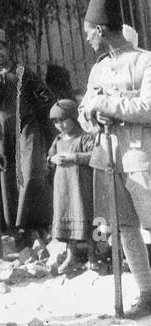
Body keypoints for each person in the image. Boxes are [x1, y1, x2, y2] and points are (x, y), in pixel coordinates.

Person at [78, 0, 151, 317]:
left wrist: (105, 106)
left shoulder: (145, 62)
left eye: (89, 31)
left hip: (141, 157)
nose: (88, 38)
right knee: (125, 228)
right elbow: (83, 112)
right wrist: (92, 117)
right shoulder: (99, 68)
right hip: (109, 157)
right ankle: (147, 291)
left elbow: (148, 108)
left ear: (102, 29)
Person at [0, 28, 55, 256]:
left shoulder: (23, 72)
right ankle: (18, 231)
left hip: (27, 129)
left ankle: (36, 227)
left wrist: (42, 118)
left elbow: (45, 96)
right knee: (7, 181)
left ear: (7, 48)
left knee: (30, 174)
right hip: (2, 135)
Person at [47, 100, 95, 275]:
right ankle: (70, 255)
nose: (59, 125)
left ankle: (92, 255)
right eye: (56, 122)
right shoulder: (58, 140)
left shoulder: (85, 137)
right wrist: (52, 159)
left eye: (63, 120)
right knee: (67, 215)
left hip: (81, 187)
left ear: (74, 118)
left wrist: (74, 157)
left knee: (85, 215)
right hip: (64, 189)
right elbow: (50, 155)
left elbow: (94, 156)